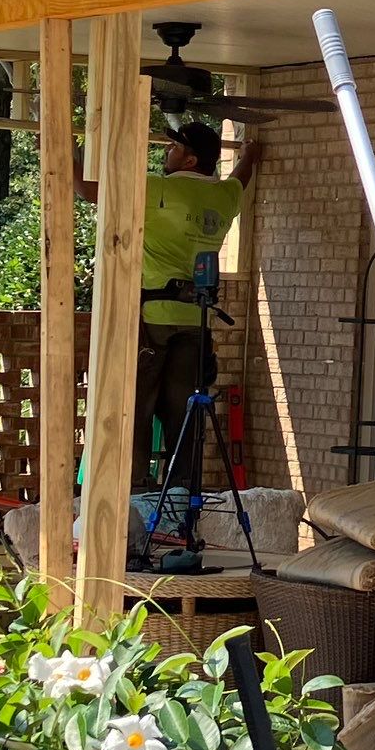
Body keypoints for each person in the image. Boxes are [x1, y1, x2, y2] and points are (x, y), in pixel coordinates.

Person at [137, 120, 257, 482]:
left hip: (152, 319)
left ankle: (134, 494)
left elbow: (86, 189)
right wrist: (251, 152)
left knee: (135, 412)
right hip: (195, 320)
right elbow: (241, 177)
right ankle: (179, 499)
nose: (166, 152)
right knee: (184, 415)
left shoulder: (154, 188)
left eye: (173, 148)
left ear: (190, 161)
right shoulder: (223, 197)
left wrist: (66, 152)